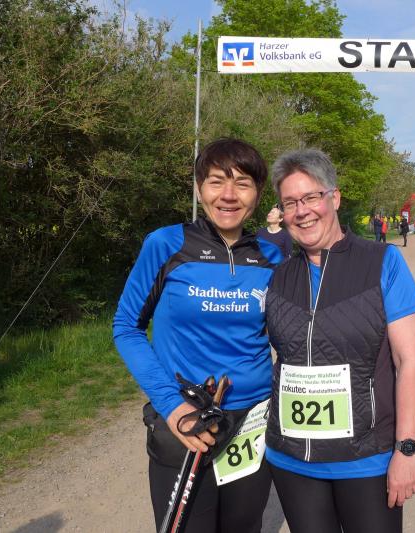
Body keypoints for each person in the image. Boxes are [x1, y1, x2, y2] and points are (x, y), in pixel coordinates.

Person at [113, 138, 282, 532]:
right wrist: (172, 407)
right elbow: (126, 327)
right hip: (187, 421)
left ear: (258, 194)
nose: (228, 195)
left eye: (242, 183)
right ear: (198, 188)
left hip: (253, 423)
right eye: (216, 181)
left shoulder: (273, 257)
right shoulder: (167, 244)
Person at [265, 149, 415, 533]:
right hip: (292, 461)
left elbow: (408, 363)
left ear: (334, 198)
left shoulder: (382, 262)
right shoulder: (278, 276)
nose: (301, 211)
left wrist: (406, 450)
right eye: (290, 203)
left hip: (365, 461)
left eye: (310, 197)